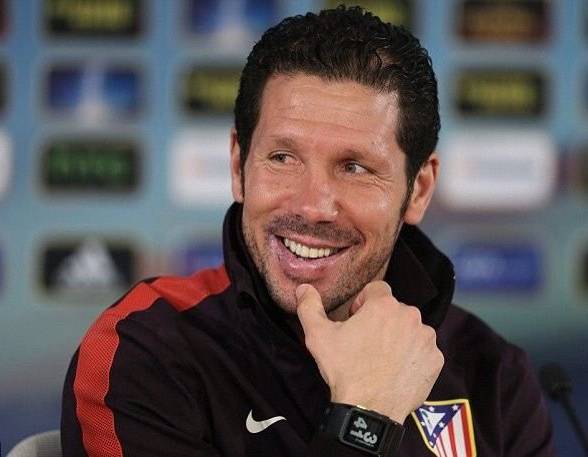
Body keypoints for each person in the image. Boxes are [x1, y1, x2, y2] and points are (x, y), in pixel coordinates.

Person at [61, 6, 554, 456]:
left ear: (418, 190)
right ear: (238, 166)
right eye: (283, 158)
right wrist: (366, 417)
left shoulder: (492, 375)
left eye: (355, 167)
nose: (313, 206)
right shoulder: (143, 350)